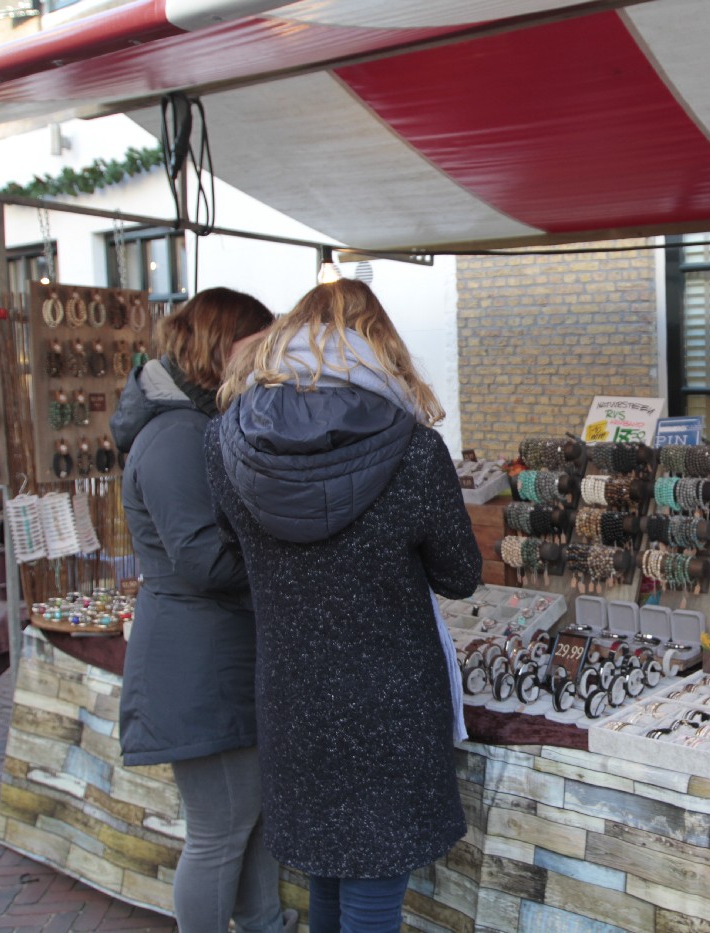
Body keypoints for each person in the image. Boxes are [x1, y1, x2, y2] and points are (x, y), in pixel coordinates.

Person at [207, 278, 481, 933]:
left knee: (327, 873)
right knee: (371, 890)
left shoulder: (224, 442)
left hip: (292, 690)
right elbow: (460, 575)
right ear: (379, 345)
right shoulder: (414, 448)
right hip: (391, 697)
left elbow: (234, 552)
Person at [111, 288, 290, 933]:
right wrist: (290, 561)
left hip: (218, 651)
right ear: (220, 344)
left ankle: (264, 923)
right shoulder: (174, 436)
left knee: (250, 819)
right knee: (221, 830)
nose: (267, 359)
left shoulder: (197, 424)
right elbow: (204, 561)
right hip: (199, 659)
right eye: (257, 345)